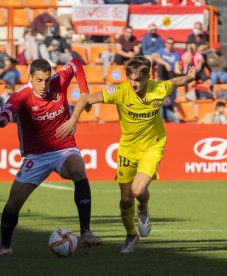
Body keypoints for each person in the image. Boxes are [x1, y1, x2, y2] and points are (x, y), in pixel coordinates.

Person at [56, 56, 196, 253]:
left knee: (138, 191)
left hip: (152, 146)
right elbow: (86, 98)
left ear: (149, 76)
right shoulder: (120, 91)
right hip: (128, 149)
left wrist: (189, 78)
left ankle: (144, 210)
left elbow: (175, 82)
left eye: (138, 79)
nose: (134, 83)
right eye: (130, 78)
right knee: (125, 199)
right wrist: (73, 121)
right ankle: (131, 235)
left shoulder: (159, 88)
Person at [0, 58, 101, 256]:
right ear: (29, 77)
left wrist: (84, 93)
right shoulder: (21, 95)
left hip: (63, 149)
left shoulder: (59, 80)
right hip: (36, 156)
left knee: (78, 169)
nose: (44, 85)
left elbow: (75, 63)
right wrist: (3, 118)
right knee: (13, 203)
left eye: (47, 80)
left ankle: (85, 232)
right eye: (39, 80)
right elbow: (9, 108)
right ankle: (5, 246)